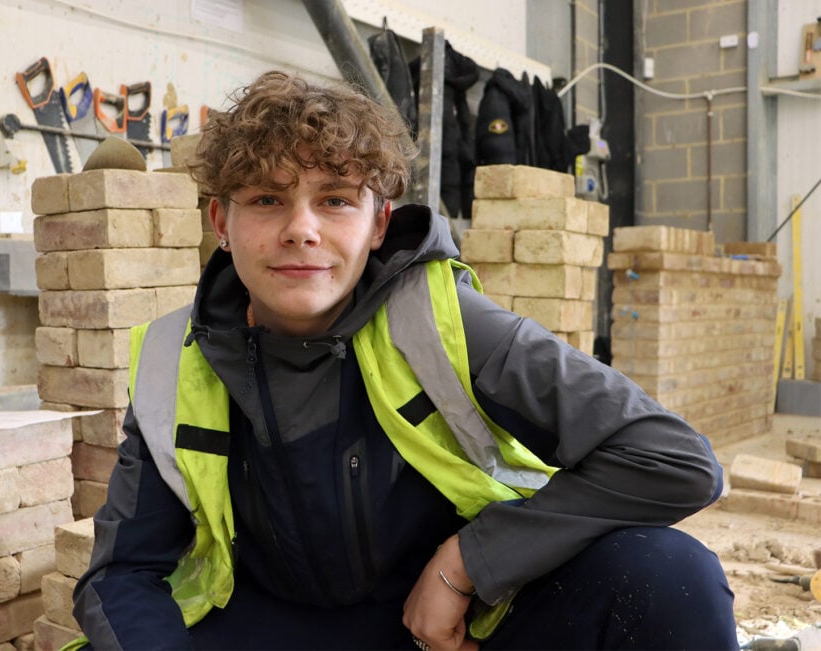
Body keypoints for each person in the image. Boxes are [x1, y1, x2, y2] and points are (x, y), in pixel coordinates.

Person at [72, 70, 737, 650]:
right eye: (266, 198)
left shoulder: (439, 322)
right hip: (277, 625)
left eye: (335, 198)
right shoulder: (172, 359)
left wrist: (468, 562)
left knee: (666, 577)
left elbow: (674, 459)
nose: (301, 228)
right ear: (220, 220)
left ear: (380, 223)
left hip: (454, 626)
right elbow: (121, 573)